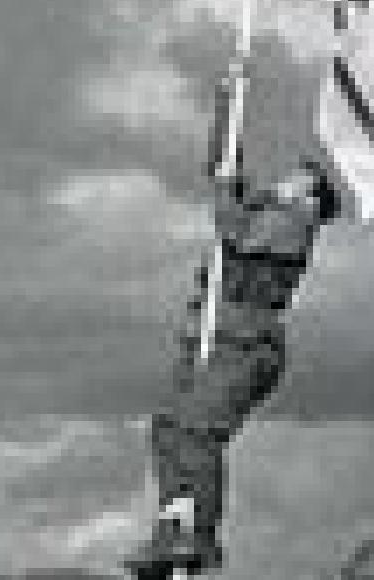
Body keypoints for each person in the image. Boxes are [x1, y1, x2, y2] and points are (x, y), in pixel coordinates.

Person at [125, 160, 341, 578]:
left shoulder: (295, 223)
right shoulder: (267, 212)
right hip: (212, 335)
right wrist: (228, 160)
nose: (284, 178)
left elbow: (238, 231)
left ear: (311, 198)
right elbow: (229, 193)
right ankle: (174, 525)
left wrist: (229, 190)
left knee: (198, 434)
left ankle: (199, 537)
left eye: (299, 179)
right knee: (168, 430)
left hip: (243, 343)